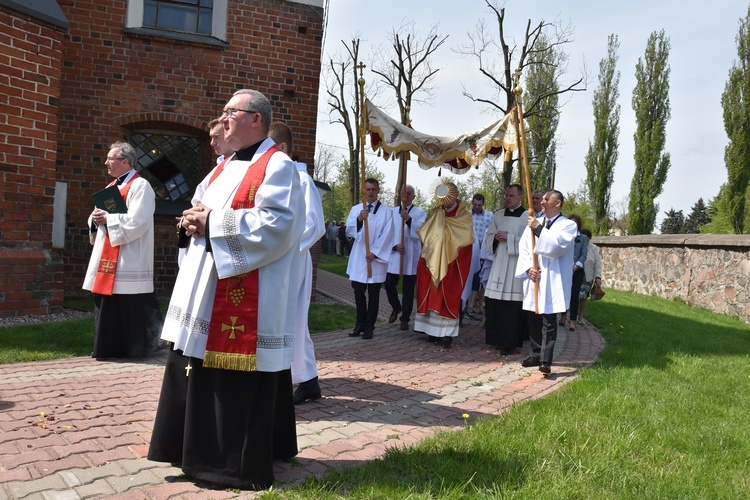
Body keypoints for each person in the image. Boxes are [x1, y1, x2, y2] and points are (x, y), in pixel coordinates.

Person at [147, 89, 305, 490]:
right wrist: (192, 221)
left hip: (243, 295)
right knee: (190, 362)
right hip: (205, 287)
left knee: (233, 374)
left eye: (229, 112)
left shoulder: (278, 165)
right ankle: (187, 450)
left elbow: (277, 225)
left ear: (255, 119)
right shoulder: (222, 167)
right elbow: (201, 206)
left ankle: (227, 464)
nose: (223, 119)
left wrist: (212, 223)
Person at [83, 141, 163, 358]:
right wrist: (96, 219)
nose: (106, 163)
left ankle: (132, 349)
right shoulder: (110, 188)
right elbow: (96, 216)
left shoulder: (141, 186)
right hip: (107, 254)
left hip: (129, 255)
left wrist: (109, 218)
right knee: (108, 303)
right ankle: (107, 347)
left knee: (128, 302)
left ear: (125, 162)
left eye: (111, 159)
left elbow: (140, 220)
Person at [268, 122, 326, 405]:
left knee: (295, 321)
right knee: (284, 320)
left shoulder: (302, 181)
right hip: (281, 259)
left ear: (282, 148)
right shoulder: (280, 177)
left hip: (294, 259)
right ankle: (296, 376)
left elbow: (315, 225)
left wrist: (285, 248)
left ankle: (307, 380)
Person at [515, 189, 577, 374]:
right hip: (536, 277)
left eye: (545, 199)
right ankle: (535, 353)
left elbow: (557, 246)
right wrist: (528, 268)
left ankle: (546, 360)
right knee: (533, 317)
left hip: (554, 279)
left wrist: (538, 229)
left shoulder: (568, 225)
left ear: (557, 203)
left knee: (549, 319)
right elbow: (525, 248)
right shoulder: (535, 222)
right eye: (540, 199)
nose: (541, 202)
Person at [414, 181, 474, 347]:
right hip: (432, 260)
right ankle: (431, 331)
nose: (446, 200)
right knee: (431, 296)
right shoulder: (434, 213)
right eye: (443, 196)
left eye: (449, 196)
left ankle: (446, 334)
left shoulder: (464, 216)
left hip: (452, 262)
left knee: (448, 296)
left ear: (456, 195)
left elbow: (466, 238)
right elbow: (425, 234)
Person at [345, 178, 394, 340]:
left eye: (373, 189)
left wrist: (375, 252)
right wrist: (359, 219)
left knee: (374, 294)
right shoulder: (356, 209)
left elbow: (388, 235)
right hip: (360, 257)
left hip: (375, 259)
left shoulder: (386, 212)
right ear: (363, 191)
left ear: (378, 190)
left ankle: (369, 326)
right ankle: (359, 323)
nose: (370, 192)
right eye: (368, 189)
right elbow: (349, 231)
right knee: (358, 291)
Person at [483, 184, 527, 354]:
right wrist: (496, 238)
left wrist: (509, 238)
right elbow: (489, 236)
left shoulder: (527, 217)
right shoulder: (498, 215)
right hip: (500, 262)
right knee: (495, 303)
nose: (508, 198)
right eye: (507, 195)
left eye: (512, 195)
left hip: (516, 266)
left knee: (512, 308)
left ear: (521, 197)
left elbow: (529, 242)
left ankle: (509, 343)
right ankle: (495, 339)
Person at [384, 185, 427, 331]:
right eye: (404, 193)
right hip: (396, 254)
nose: (406, 196)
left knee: (408, 289)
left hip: (411, 255)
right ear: (400, 195)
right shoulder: (391, 212)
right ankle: (396, 307)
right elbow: (387, 234)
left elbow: (422, 233)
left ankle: (405, 319)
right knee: (389, 283)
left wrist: (408, 219)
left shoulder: (420, 213)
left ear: (413, 197)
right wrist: (394, 246)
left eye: (409, 194)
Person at [466, 193, 493, 319]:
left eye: (479, 205)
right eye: (475, 204)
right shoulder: (466, 214)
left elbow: (490, 233)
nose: (477, 207)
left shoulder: (489, 215)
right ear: (472, 202)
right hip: (468, 249)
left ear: (483, 204)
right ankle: (467, 306)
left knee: (480, 278)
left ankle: (478, 305)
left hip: (481, 250)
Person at [559, 214, 588, 331]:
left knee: (574, 295)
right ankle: (563, 315)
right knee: (564, 293)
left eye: (574, 223)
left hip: (578, 270)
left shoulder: (583, 238)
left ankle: (572, 320)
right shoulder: (564, 236)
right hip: (565, 268)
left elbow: (584, 254)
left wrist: (576, 266)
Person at [577, 228, 602, 325]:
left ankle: (580, 317)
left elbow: (597, 263)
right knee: (573, 296)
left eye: (587, 240)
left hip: (587, 276)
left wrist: (598, 277)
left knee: (583, 297)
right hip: (576, 273)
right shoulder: (577, 245)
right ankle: (568, 315)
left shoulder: (593, 248)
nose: (585, 241)